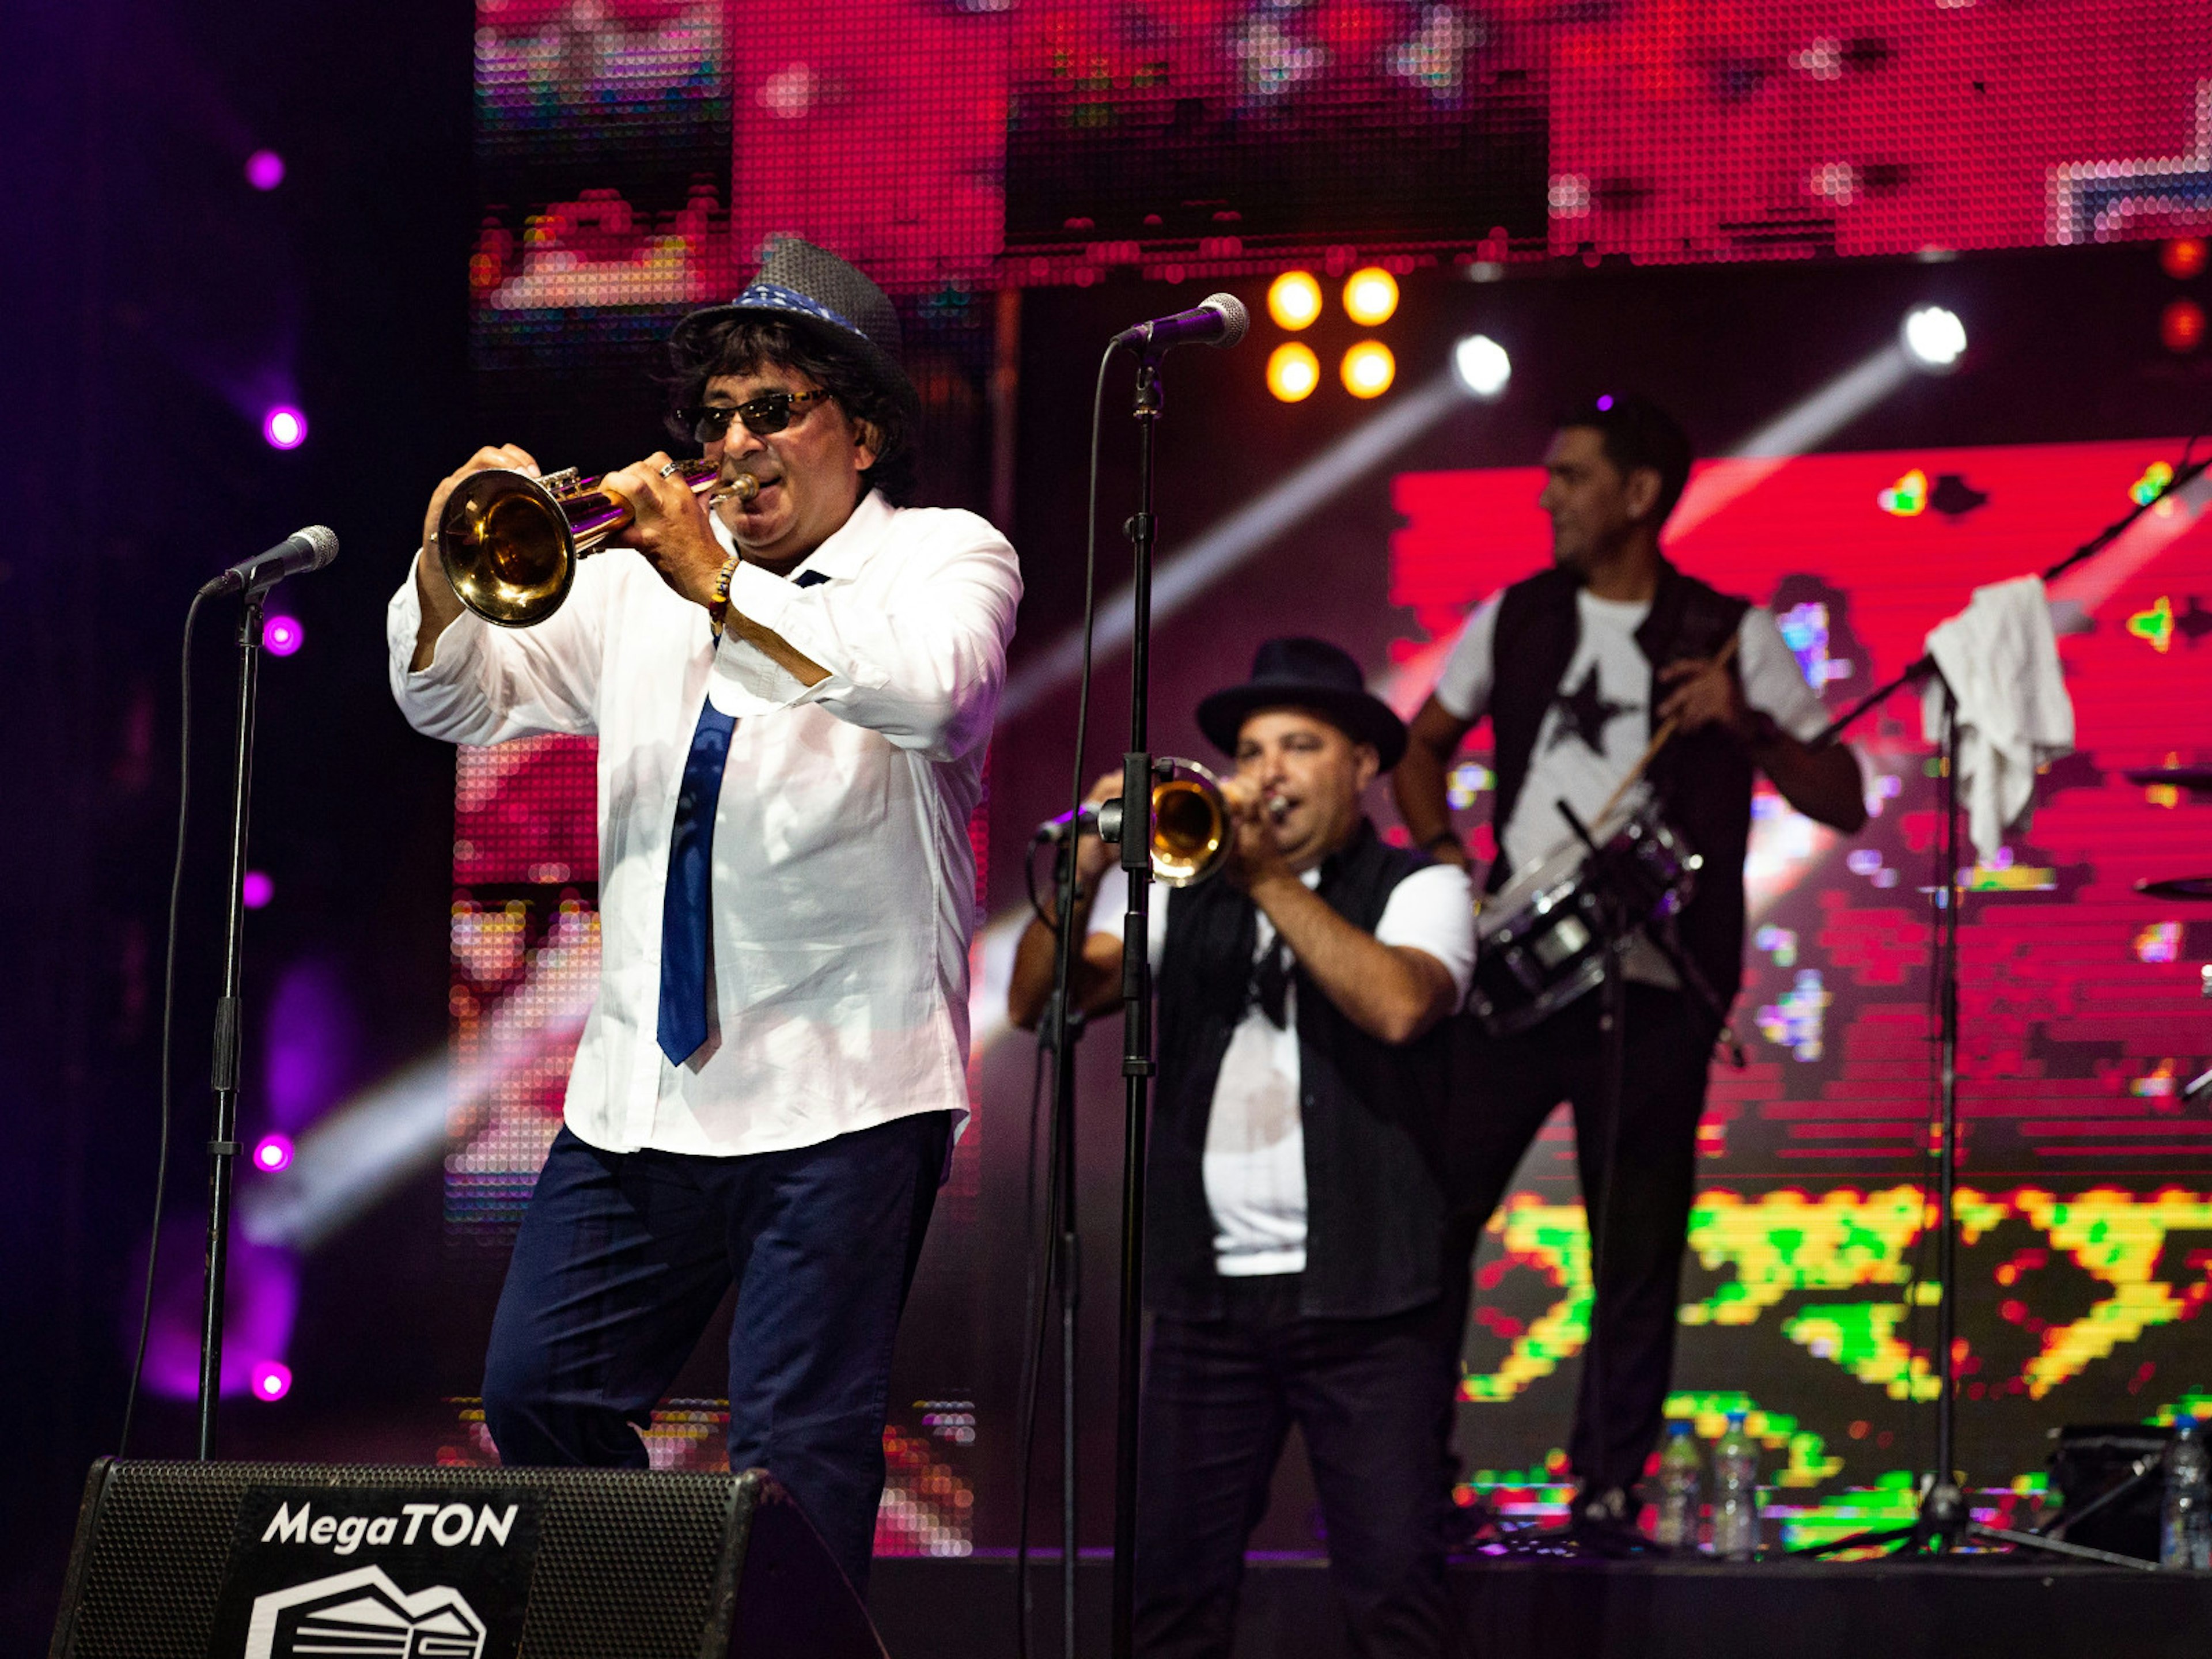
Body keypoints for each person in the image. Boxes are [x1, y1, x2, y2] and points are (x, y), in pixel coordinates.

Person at [387, 237, 1021, 1591]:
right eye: (718, 416)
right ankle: (657, 1622)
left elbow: (931, 695)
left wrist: (722, 590)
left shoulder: (944, 556)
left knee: (796, 1456)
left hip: (844, 1095)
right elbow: (450, 703)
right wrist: (445, 571)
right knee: (540, 1397)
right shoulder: (626, 584)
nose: (735, 443)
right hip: (642, 1101)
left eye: (773, 409)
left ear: (863, 427)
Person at [1392, 394, 1866, 1539]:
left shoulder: (1729, 631)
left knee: (1638, 1246)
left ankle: (1607, 1488)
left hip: (1657, 985)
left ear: (1641, 495)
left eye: (1572, 475)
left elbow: (1842, 794)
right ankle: (1412, 1472)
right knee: (1437, 1217)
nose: (1548, 494)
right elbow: (1417, 751)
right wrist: (1451, 861)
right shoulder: (1514, 617)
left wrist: (1744, 721)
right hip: (1515, 975)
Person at [1009, 638, 1477, 1659]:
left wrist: (1265, 879)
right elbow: (1034, 1002)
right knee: (1172, 1599)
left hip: (1371, 1307)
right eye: (1253, 749)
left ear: (1361, 765)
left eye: (1299, 745)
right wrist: (1085, 873)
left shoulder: (1422, 888)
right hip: (1206, 1305)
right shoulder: (1187, 894)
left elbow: (1400, 1006)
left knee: (1394, 1596)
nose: (1266, 771)